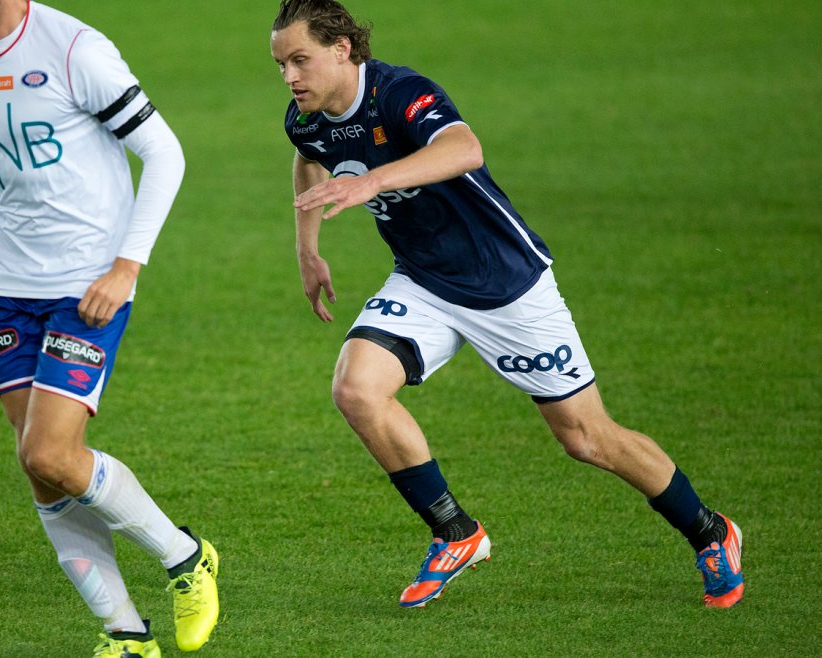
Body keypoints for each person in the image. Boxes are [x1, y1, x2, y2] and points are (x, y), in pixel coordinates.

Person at [269, 0, 744, 609]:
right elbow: (309, 158)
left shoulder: (400, 92)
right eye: (281, 64)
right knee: (356, 388)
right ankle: (456, 532)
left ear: (341, 49)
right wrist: (309, 250)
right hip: (423, 282)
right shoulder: (305, 118)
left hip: (507, 285)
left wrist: (371, 181)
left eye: (300, 60)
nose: (289, 76)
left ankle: (711, 531)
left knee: (587, 439)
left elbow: (465, 148)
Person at [0, 1, 220, 655]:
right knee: (40, 469)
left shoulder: (75, 50)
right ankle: (127, 634)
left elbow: (164, 152)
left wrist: (127, 267)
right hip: (10, 289)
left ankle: (186, 558)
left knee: (49, 453)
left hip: (89, 285)